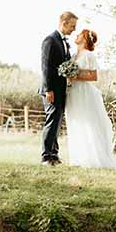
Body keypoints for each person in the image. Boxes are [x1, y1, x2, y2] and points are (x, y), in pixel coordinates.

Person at [65, 29, 116, 169]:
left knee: (88, 122)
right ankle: (78, 158)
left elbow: (94, 76)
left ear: (85, 39)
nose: (76, 35)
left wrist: (75, 76)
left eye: (79, 34)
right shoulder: (75, 55)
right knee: (75, 121)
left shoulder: (89, 55)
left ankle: (93, 158)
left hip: (84, 92)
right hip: (72, 92)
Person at [38, 11, 77, 165]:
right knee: (51, 121)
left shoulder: (63, 42)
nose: (74, 29)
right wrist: (48, 90)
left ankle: (54, 155)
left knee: (57, 122)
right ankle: (46, 156)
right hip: (51, 90)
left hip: (60, 89)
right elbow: (46, 66)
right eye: (72, 26)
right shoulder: (50, 40)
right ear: (64, 23)